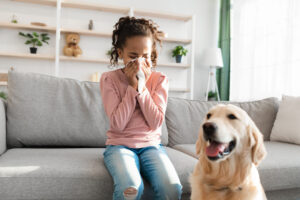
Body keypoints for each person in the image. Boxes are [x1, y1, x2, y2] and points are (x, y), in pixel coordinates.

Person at [99, 16, 183, 200]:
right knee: (131, 189)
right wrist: (131, 87)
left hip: (151, 146)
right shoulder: (109, 79)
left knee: (172, 189)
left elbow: (155, 123)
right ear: (120, 53)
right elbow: (118, 125)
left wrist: (142, 88)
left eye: (145, 56)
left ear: (151, 54)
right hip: (119, 146)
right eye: (133, 56)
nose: (139, 63)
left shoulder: (160, 80)